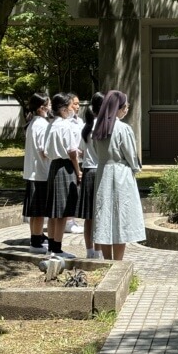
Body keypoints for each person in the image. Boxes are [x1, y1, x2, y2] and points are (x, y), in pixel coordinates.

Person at [92, 90, 146, 260]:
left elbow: (95, 151)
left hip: (103, 172)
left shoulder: (98, 127)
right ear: (119, 107)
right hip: (120, 173)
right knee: (120, 217)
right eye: (125, 106)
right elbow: (130, 154)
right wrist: (135, 168)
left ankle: (107, 260)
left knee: (105, 217)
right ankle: (118, 261)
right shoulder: (123, 128)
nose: (126, 109)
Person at [43, 93, 81, 258]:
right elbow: (72, 152)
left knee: (53, 212)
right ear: (64, 109)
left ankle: (52, 246)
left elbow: (45, 150)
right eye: (70, 106)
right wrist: (78, 170)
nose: (72, 109)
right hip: (65, 167)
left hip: (53, 167)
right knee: (63, 212)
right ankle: (57, 249)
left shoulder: (51, 124)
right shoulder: (65, 125)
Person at [22, 93, 51, 254]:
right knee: (39, 210)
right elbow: (45, 151)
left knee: (35, 210)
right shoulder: (42, 125)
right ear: (42, 107)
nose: (51, 107)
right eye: (49, 104)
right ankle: (35, 241)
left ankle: (38, 236)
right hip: (41, 173)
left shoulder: (32, 123)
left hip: (33, 172)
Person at [77, 92, 104, 259]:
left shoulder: (87, 126)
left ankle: (89, 251)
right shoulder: (103, 126)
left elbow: (80, 151)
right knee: (99, 214)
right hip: (100, 171)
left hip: (88, 170)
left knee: (88, 216)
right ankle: (99, 251)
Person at [64, 92, 85, 235]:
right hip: (70, 159)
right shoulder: (66, 122)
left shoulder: (80, 121)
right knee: (70, 191)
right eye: (75, 104)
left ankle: (71, 220)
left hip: (80, 159)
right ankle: (68, 221)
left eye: (78, 104)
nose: (77, 107)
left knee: (76, 190)